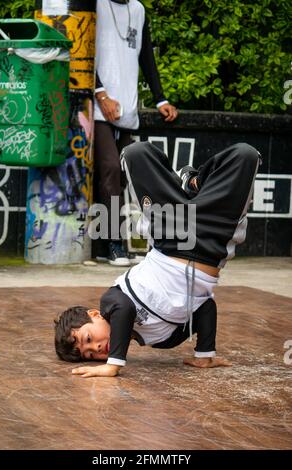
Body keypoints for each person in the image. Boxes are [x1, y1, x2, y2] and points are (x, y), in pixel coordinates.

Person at [54, 141, 261, 377]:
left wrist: (114, 363)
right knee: (245, 154)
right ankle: (194, 186)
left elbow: (125, 309)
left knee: (135, 153)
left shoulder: (112, 301)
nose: (96, 347)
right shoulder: (164, 339)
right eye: (90, 354)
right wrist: (205, 354)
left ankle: (191, 186)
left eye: (88, 339)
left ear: (94, 315)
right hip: (211, 243)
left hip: (169, 236)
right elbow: (205, 307)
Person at [93, 0, 178, 266]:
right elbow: (82, 49)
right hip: (97, 108)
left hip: (127, 110)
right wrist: (100, 93)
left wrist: (160, 99)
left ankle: (102, 245)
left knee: (123, 177)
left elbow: (146, 58)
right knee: (109, 168)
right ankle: (113, 243)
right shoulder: (95, 5)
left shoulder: (138, 10)